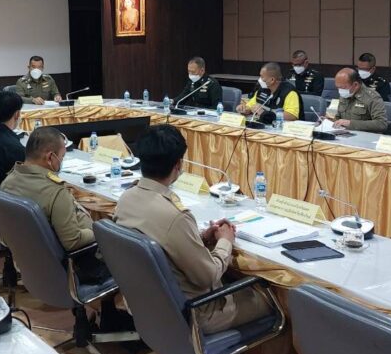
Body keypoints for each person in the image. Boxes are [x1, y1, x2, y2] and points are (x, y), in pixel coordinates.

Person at [115, 124, 278, 335]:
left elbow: (164, 243)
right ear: (178, 164)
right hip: (195, 313)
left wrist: (200, 238)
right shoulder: (175, 216)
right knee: (274, 300)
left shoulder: (126, 199)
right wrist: (225, 240)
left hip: (151, 302)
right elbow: (208, 277)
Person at [0, 127, 109, 284]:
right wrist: (98, 232)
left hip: (28, 259)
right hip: (71, 265)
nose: (61, 162)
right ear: (50, 157)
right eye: (62, 157)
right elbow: (73, 241)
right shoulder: (55, 191)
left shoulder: (8, 181)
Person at [236, 62, 303, 124]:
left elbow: (292, 116)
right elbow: (251, 106)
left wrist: (265, 113)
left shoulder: (289, 92)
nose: (260, 79)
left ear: (272, 80)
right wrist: (244, 109)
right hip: (265, 126)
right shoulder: (262, 89)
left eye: (262, 77)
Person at [331, 68, 389, 133]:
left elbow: (381, 124)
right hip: (344, 134)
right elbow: (339, 117)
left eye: (343, 88)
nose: (340, 91)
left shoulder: (372, 97)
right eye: (338, 87)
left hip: (365, 136)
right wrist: (330, 120)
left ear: (355, 85)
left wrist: (351, 123)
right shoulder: (345, 94)